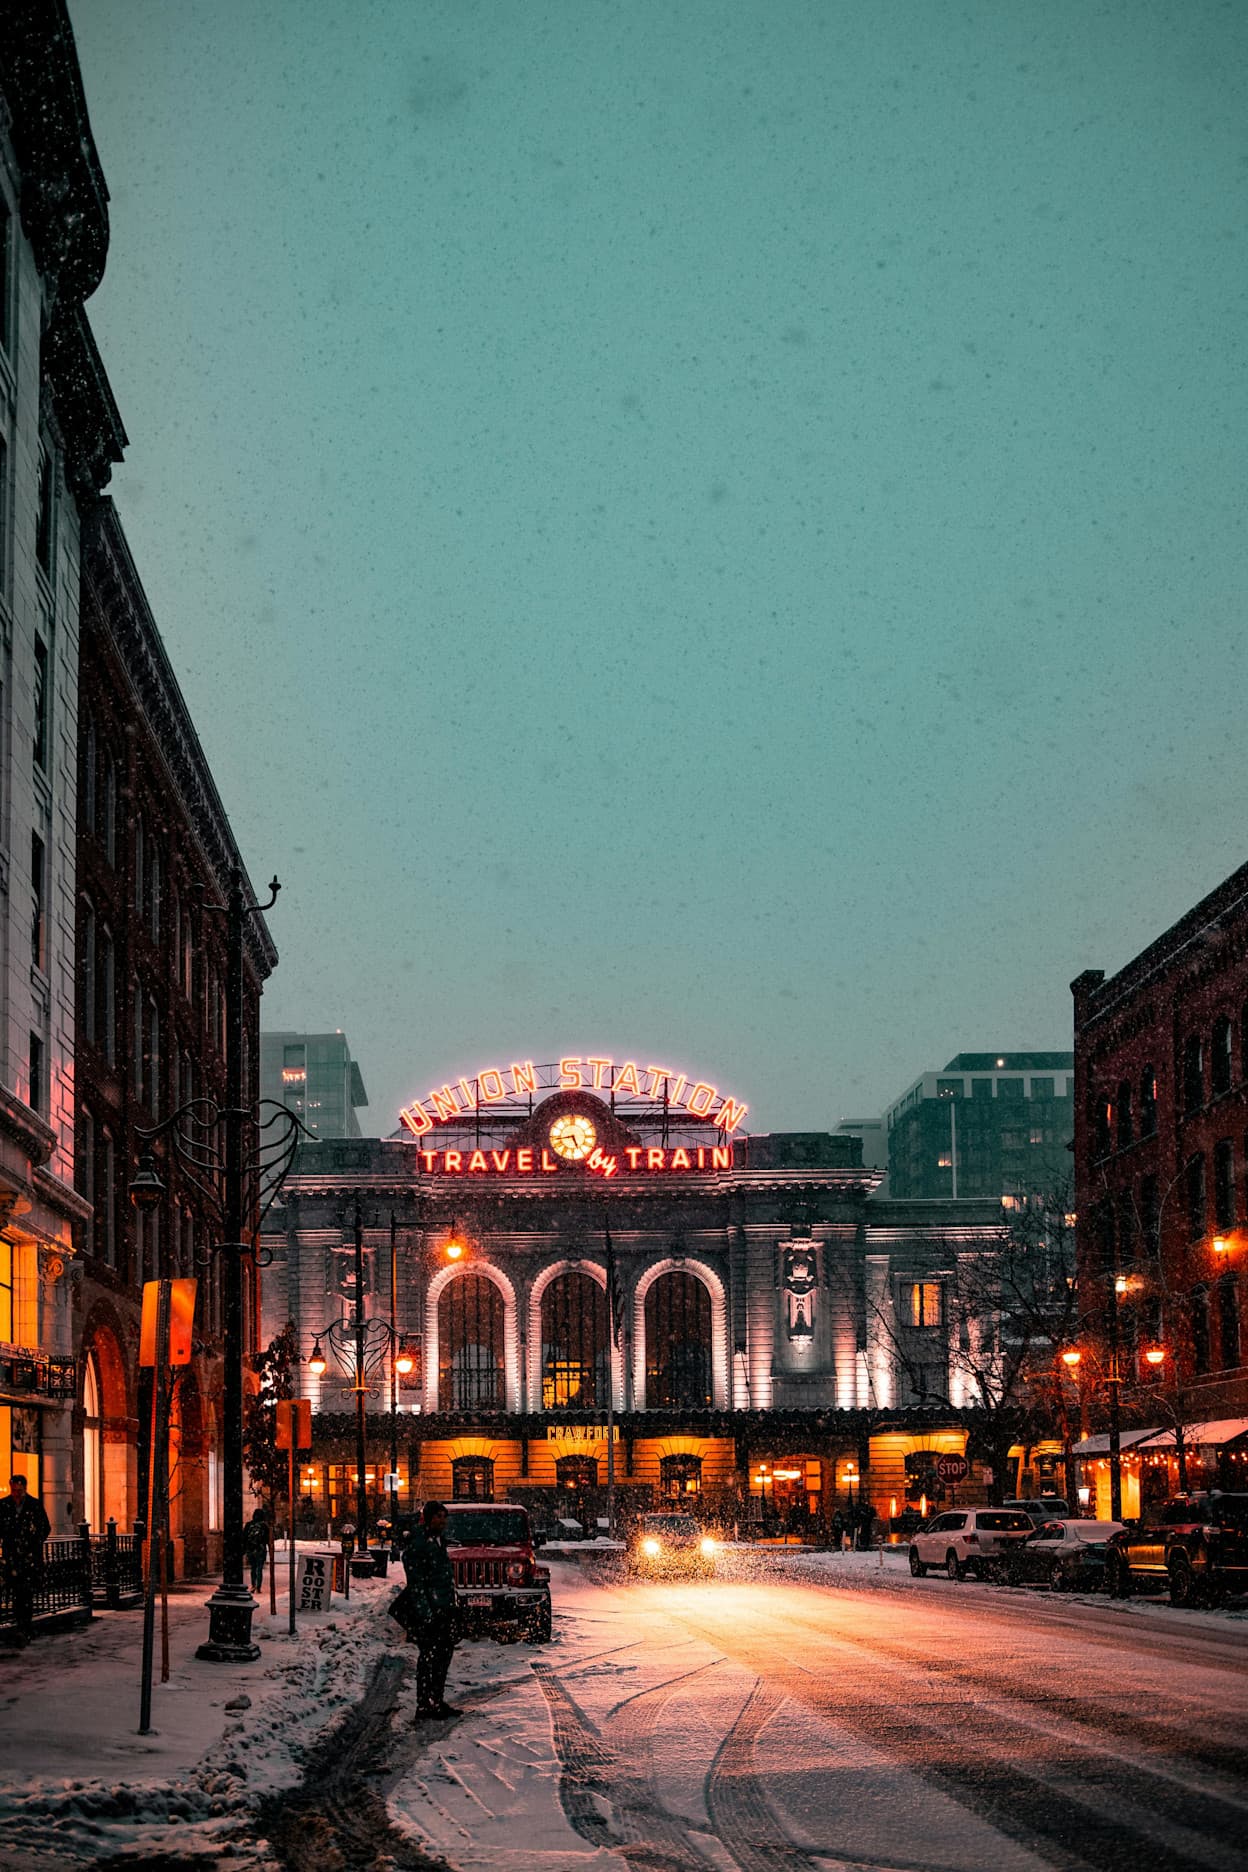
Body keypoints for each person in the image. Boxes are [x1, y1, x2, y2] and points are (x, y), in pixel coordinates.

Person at [401, 1500, 460, 1720]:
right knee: (429, 1657)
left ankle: (436, 1700)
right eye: (438, 1517)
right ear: (427, 1518)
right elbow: (416, 1583)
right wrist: (426, 1613)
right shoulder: (419, 1544)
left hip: (443, 1608)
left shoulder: (438, 1542)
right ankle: (425, 1704)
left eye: (444, 1517)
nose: (442, 1521)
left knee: (443, 1656)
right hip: (430, 1611)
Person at [0, 1474, 51, 1646]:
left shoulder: (34, 1505)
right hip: (12, 1558)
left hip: (28, 1559)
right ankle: (21, 1627)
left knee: (25, 1595)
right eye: (14, 1490)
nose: (16, 1494)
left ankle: (25, 1628)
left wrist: (32, 1544)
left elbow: (45, 1527)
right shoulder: (4, 1505)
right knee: (17, 1594)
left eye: (19, 1490)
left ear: (25, 1488)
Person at [244, 1509, 270, 1593]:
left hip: (251, 1549)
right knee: (259, 1569)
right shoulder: (264, 1526)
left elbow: (244, 1537)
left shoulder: (248, 1525)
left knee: (253, 1568)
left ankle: (253, 1585)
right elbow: (267, 1539)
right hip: (260, 1549)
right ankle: (258, 1587)